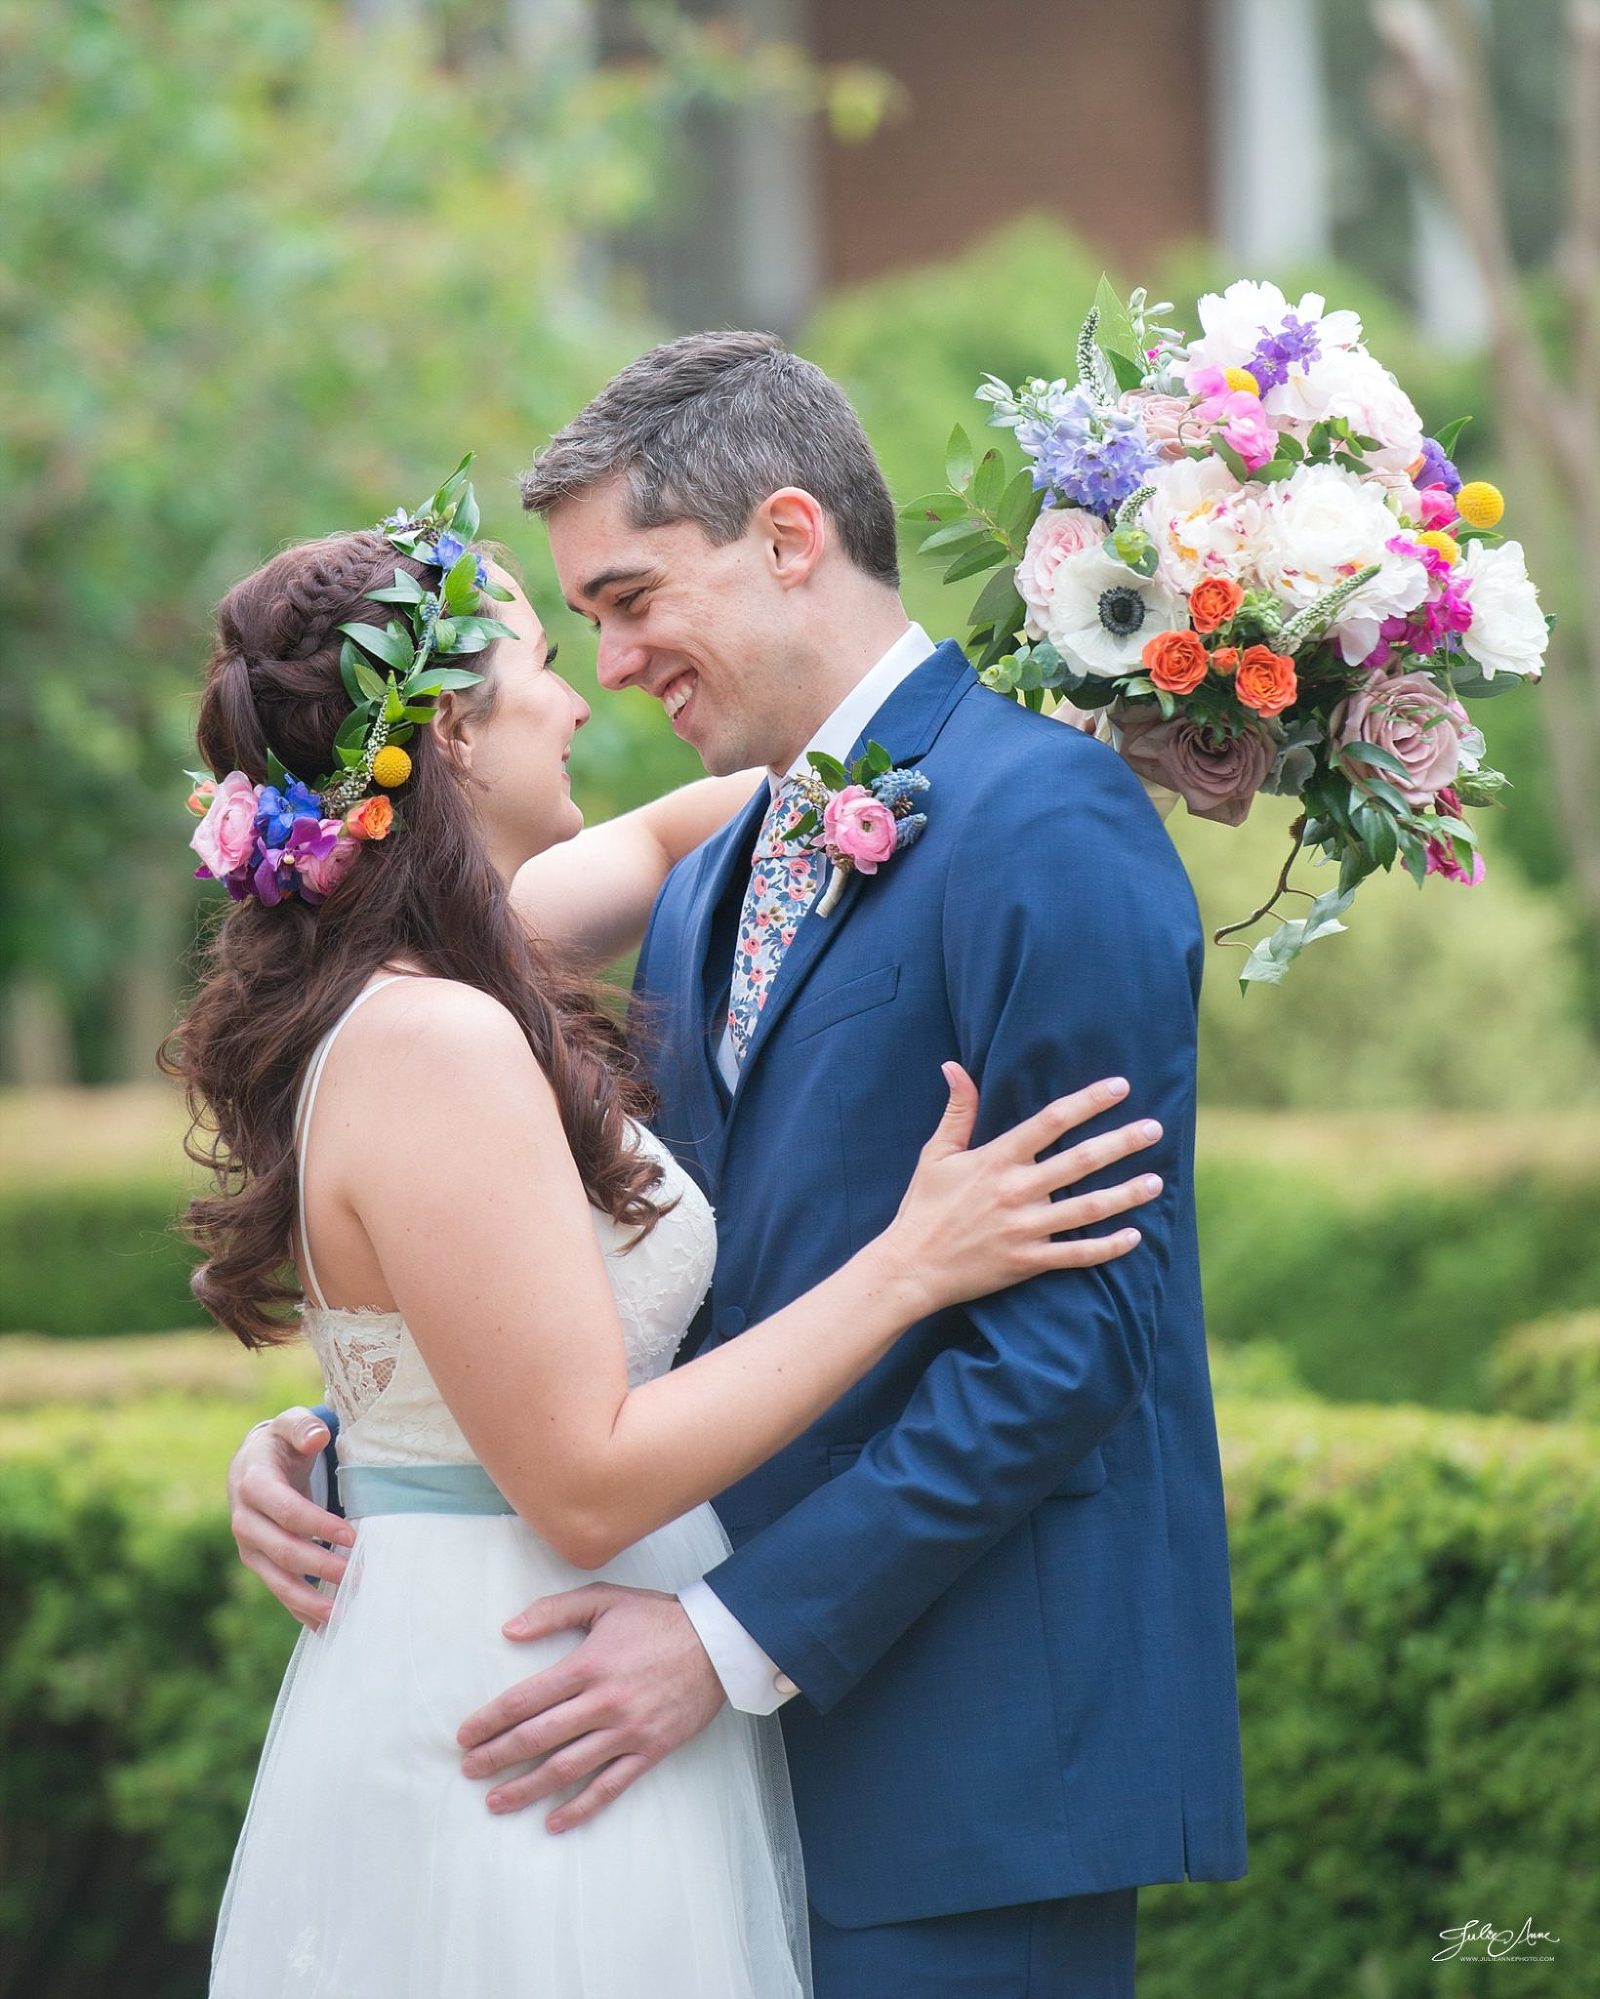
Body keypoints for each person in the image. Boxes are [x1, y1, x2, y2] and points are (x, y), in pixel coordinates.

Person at [181, 464, 1167, 1998]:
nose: (589, 700)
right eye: (552, 663)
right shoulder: (436, 1031)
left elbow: (778, 805)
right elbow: (574, 1463)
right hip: (544, 1685)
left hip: (569, 1660)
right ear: (447, 732)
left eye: (624, 611)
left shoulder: (461, 952)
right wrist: (912, 1260)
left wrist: (1143, 692)